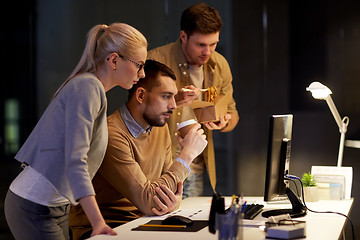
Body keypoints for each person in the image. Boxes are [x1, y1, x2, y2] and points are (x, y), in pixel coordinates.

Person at [4, 22, 148, 240]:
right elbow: (75, 160)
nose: (143, 73)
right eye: (139, 65)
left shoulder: (91, 88)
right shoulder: (87, 88)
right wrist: (97, 222)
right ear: (114, 60)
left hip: (55, 206)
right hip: (35, 206)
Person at [69, 59, 207, 239]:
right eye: (166, 96)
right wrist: (187, 155)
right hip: (106, 229)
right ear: (140, 95)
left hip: (145, 220)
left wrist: (174, 201)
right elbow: (150, 200)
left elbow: (168, 187)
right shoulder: (111, 134)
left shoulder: (160, 127)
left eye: (173, 97)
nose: (174, 105)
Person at [147, 2, 239, 198]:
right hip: (160, 164)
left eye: (213, 44)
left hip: (195, 165)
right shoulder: (156, 60)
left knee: (188, 222)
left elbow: (232, 112)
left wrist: (224, 121)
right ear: (183, 36)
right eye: (201, 45)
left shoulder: (219, 64)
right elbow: (139, 112)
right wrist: (174, 99)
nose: (208, 51)